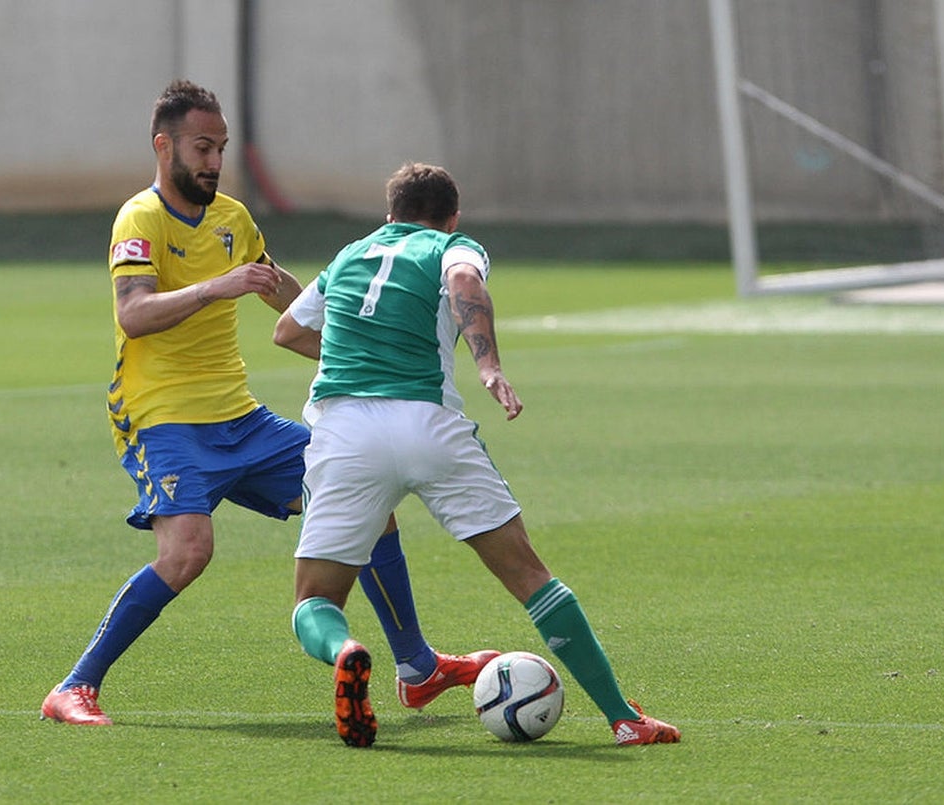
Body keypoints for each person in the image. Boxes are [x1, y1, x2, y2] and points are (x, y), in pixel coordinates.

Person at [40, 83, 495, 727]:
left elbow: (284, 292)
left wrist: (356, 338)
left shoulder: (232, 217)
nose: (213, 161)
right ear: (162, 144)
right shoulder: (138, 218)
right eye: (202, 147)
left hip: (241, 417)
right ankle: (73, 688)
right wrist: (215, 286)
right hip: (161, 416)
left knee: (365, 500)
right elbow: (134, 315)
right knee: (187, 553)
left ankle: (417, 671)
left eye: (220, 148)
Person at [273, 162, 681, 748]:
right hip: (427, 425)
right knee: (530, 576)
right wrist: (488, 366)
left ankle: (346, 652)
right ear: (452, 216)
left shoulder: (348, 255)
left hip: (344, 435)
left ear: (388, 215)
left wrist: (359, 353)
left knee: (314, 599)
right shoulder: (451, 245)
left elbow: (288, 331)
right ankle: (624, 718)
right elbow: (464, 282)